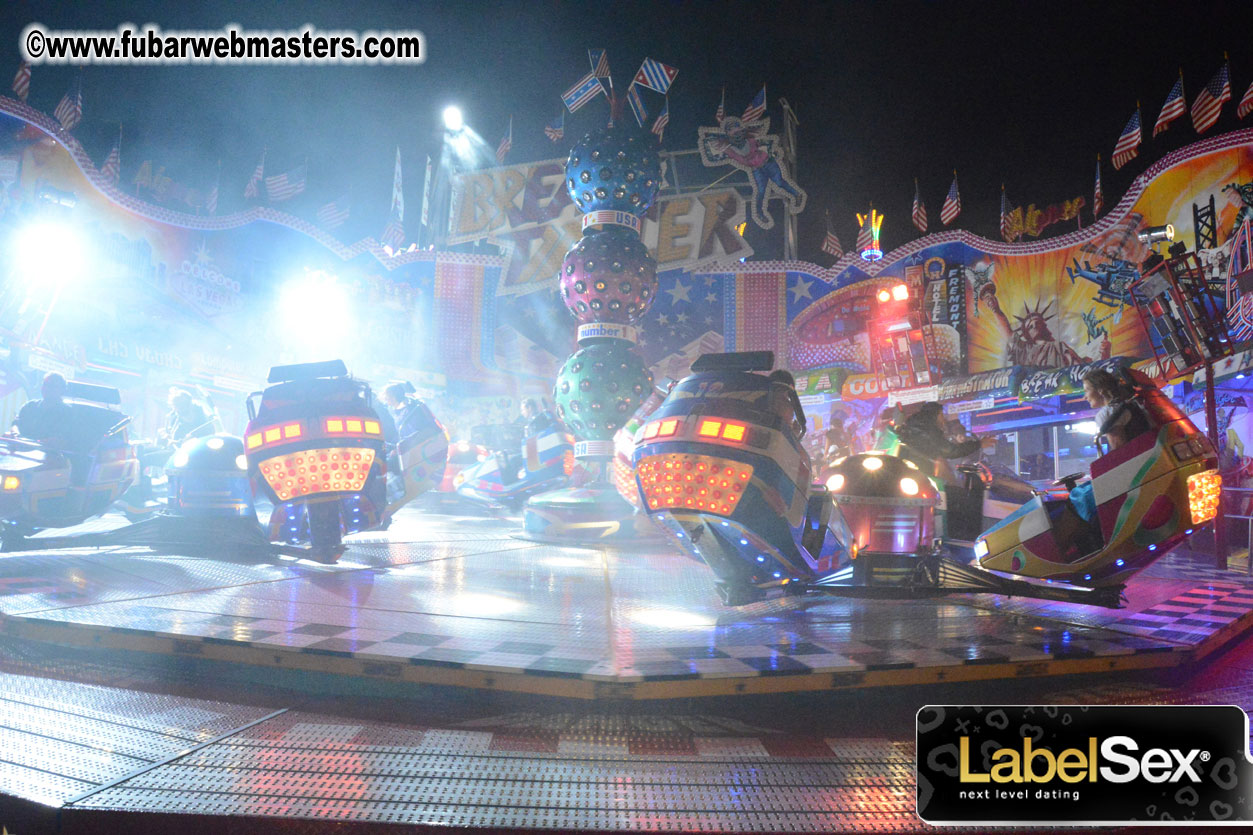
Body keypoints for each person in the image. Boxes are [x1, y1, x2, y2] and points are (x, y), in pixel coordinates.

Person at [894, 402, 995, 482]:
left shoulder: (916, 426)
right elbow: (950, 451)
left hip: (914, 473)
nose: (944, 419)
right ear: (935, 415)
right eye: (942, 415)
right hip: (921, 475)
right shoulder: (928, 430)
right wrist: (979, 444)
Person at [14, 372, 74, 445]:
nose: (47, 388)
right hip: (20, 449)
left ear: (63, 390)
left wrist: (40, 443)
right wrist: (15, 433)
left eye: (52, 386)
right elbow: (15, 424)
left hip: (49, 453)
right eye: (45, 384)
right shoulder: (30, 406)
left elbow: (63, 439)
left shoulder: (68, 412)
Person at [766, 370, 806, 435]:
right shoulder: (787, 407)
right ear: (790, 387)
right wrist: (794, 434)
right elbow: (784, 433)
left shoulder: (756, 399)